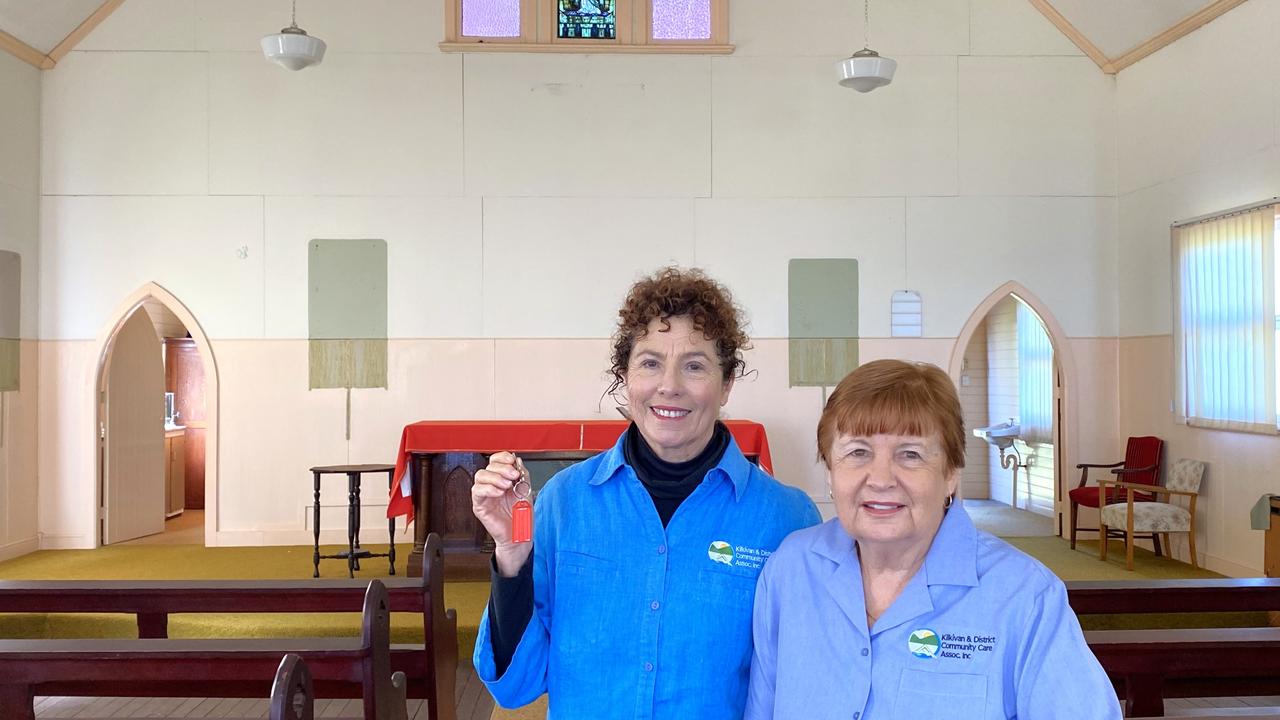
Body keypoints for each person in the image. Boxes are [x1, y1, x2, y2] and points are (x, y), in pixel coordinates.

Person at [470, 267, 820, 719]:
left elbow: (803, 685)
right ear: (625, 375)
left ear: (727, 382)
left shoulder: (786, 519)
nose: (669, 385)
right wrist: (512, 558)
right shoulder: (563, 503)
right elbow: (516, 687)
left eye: (694, 365)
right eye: (650, 362)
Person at [746, 359, 1121, 719]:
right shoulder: (791, 571)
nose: (880, 478)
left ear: (951, 474)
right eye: (857, 452)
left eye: (910, 454)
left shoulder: (1023, 596)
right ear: (830, 470)